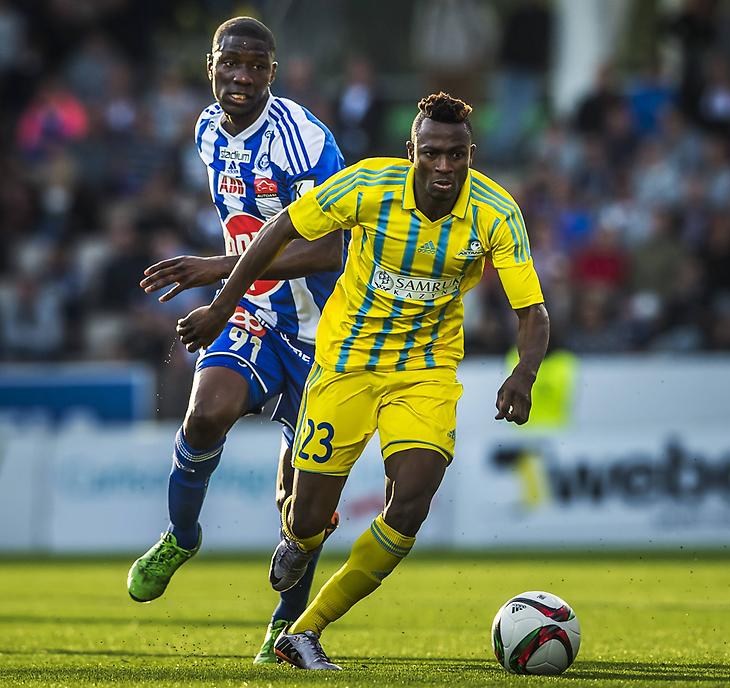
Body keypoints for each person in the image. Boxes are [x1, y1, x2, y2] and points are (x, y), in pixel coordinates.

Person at [177, 92, 550, 670]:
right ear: (411, 151)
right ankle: (299, 540)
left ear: (471, 154)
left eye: (456, 155)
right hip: (346, 365)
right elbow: (279, 230)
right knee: (307, 520)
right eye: (432, 153)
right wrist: (222, 306)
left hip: (425, 373)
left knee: (412, 501)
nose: (444, 166)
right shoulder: (368, 186)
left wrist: (524, 373)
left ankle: (306, 630)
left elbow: (533, 311)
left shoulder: (495, 213)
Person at [125, 17, 347, 665]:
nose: (241, 76)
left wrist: (215, 271)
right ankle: (180, 535)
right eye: (230, 63)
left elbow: (328, 249)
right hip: (253, 313)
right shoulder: (206, 131)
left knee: (301, 505)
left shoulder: (304, 141)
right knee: (205, 413)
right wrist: (230, 289)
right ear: (211, 66)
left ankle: (286, 625)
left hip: (322, 332)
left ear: (272, 73)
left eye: (255, 66)